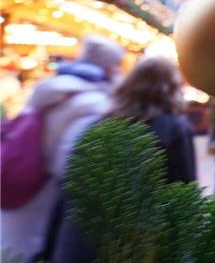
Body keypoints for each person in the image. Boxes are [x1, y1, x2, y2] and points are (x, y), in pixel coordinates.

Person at [43, 57, 196, 263]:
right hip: (136, 245)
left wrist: (49, 247)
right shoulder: (174, 129)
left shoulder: (98, 124)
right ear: (172, 87)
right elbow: (184, 194)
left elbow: (67, 188)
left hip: (78, 241)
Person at [0, 36, 124, 261]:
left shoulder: (51, 88)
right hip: (45, 190)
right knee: (26, 249)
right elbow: (69, 161)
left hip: (20, 170)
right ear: (108, 67)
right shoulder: (95, 104)